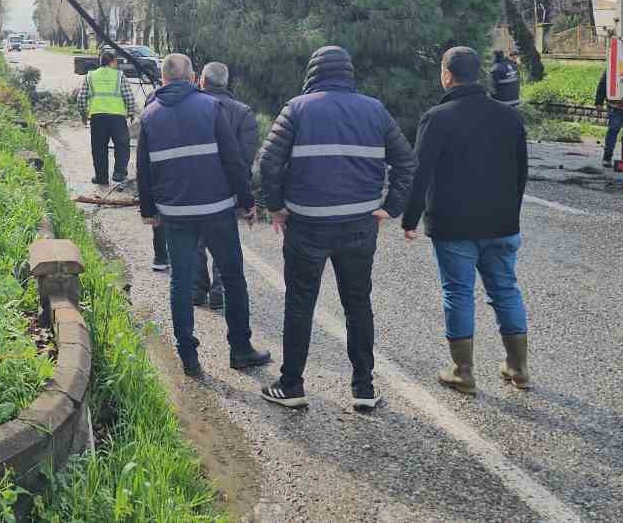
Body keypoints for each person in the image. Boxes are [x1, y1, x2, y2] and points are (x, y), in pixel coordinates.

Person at [258, 46, 416, 411]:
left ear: (313, 72)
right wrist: (389, 208)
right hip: (360, 226)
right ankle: (364, 388)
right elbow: (406, 161)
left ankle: (292, 386)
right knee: (358, 304)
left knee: (300, 304)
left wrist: (277, 208)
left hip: (307, 225)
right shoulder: (375, 110)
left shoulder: (297, 108)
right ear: (349, 73)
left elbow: (268, 160)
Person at [403, 47, 531, 394]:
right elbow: (521, 173)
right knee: (505, 290)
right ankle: (518, 368)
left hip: (454, 225)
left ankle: (463, 372)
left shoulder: (438, 117)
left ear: (447, 74)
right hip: (502, 223)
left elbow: (420, 174)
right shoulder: (509, 118)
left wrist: (409, 219)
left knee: (458, 293)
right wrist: (510, 214)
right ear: (480, 74)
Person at [137, 53, 270, 378]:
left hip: (176, 214)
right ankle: (240, 350)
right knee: (233, 279)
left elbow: (143, 169)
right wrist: (246, 200)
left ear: (163, 78)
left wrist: (149, 210)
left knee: (180, 283)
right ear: (194, 78)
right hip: (217, 211)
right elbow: (232, 159)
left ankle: (189, 359)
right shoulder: (210, 107)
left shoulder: (150, 115)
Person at [193, 61, 261, 311]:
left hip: (196, 187)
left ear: (202, 81)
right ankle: (219, 292)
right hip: (227, 190)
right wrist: (244, 197)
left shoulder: (192, 109)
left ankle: (197, 289)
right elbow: (244, 158)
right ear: (226, 82)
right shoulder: (243, 112)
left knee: (197, 239)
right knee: (225, 241)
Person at [75, 50, 139, 189]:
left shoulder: (90, 76)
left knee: (99, 148)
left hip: (97, 118)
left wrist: (83, 115)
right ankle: (119, 173)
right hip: (117, 117)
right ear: (113, 62)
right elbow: (128, 96)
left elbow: (81, 98)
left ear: (100, 62)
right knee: (122, 144)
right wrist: (131, 112)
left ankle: (101, 177)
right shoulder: (119, 75)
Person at [595, 71, 623, 168]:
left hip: (619, 104)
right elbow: (604, 83)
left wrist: (599, 102)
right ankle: (607, 157)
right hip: (617, 104)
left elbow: (603, 83)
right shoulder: (611, 68)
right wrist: (599, 102)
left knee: (615, 130)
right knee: (614, 129)